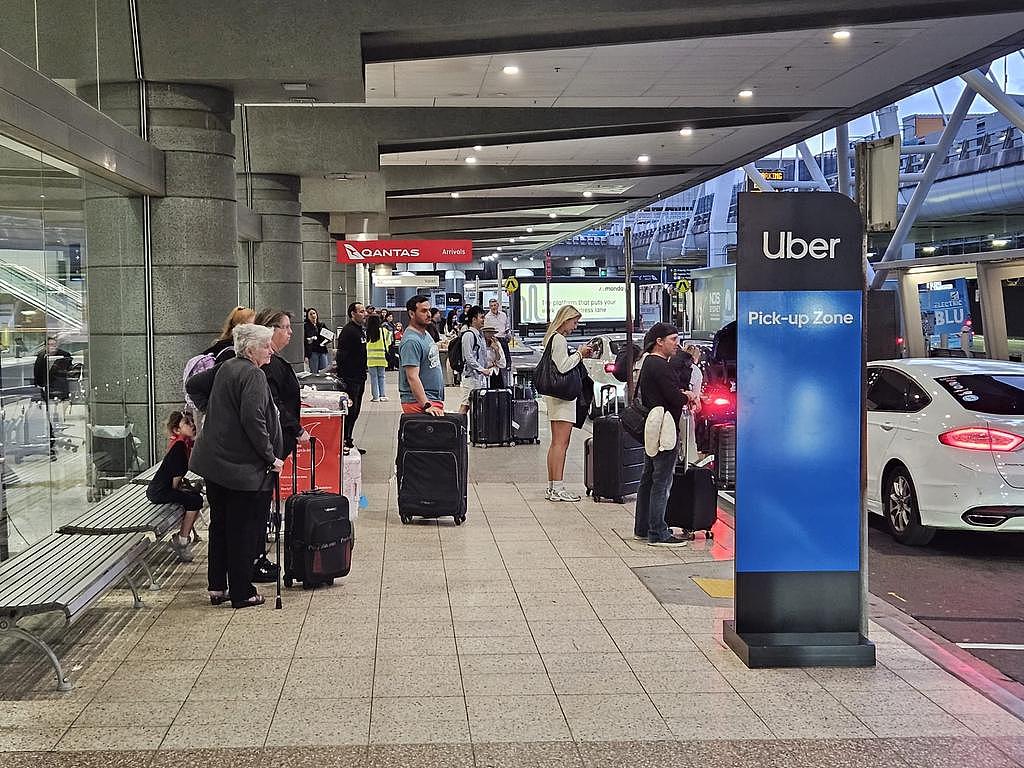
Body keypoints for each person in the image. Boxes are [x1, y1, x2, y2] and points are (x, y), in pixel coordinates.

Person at [190, 323, 284, 609]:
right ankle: (242, 591)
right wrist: (270, 456)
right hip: (238, 468)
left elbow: (196, 387)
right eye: (266, 346)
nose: (270, 351)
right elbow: (254, 420)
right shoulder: (253, 374)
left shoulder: (227, 366)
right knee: (242, 529)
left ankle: (217, 586)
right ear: (251, 348)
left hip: (215, 462)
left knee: (221, 524)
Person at [634, 323, 690, 547]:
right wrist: (688, 396)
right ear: (660, 341)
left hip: (652, 427)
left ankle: (642, 527)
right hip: (664, 429)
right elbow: (673, 398)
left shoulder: (648, 361)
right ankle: (658, 531)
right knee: (661, 480)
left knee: (648, 478)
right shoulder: (660, 366)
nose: (677, 344)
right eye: (673, 339)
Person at [542, 305, 593, 502]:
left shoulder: (550, 338)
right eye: (574, 321)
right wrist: (579, 354)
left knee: (555, 444)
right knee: (561, 444)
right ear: (565, 320)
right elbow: (563, 366)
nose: (575, 326)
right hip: (563, 398)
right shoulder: (559, 339)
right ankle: (558, 488)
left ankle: (552, 486)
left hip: (555, 398)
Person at [147, 411, 204, 563]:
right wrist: (185, 493)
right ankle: (182, 541)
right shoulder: (179, 448)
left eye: (192, 421)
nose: (192, 425)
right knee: (195, 501)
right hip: (160, 491)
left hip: (160, 489)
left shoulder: (181, 444)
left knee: (194, 498)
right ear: (177, 430)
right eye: (187, 422)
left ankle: (183, 538)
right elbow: (174, 484)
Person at [254, 308, 309, 462]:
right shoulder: (267, 363)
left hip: (277, 436)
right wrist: (296, 429)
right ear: (270, 330)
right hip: (273, 437)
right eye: (285, 327)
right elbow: (273, 402)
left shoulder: (272, 361)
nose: (290, 332)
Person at [399, 295, 446, 416]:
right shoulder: (411, 341)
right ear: (411, 314)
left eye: (429, 310)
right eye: (424, 311)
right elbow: (412, 377)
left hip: (431, 400)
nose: (429, 314)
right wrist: (426, 404)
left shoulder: (425, 334)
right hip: (420, 403)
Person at [336, 302, 368, 455]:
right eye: (361, 311)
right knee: (350, 411)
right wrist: (344, 378)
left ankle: (348, 439)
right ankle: (344, 441)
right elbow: (342, 356)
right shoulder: (348, 332)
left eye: (364, 311)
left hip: (360, 377)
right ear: (352, 314)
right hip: (350, 379)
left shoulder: (360, 331)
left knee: (355, 411)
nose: (364, 314)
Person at [459, 306, 498, 415]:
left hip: (479, 378)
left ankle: (475, 431)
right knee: (465, 405)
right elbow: (469, 357)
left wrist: (487, 367)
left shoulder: (480, 336)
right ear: (474, 319)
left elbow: (482, 356)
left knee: (477, 407)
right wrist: (482, 369)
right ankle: (459, 429)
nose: (483, 320)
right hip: (470, 377)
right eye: (481, 317)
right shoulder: (468, 335)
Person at [365, 314, 393, 403]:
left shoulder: (367, 332)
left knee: (373, 378)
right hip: (382, 357)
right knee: (381, 376)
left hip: (370, 358)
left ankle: (375, 397)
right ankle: (382, 395)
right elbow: (389, 342)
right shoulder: (384, 331)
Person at [486, 298, 512, 382]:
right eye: (492, 306)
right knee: (496, 356)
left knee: (506, 356)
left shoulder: (503, 315)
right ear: (489, 307)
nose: (494, 307)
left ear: (498, 305)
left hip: (503, 338)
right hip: (494, 339)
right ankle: (496, 371)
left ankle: (507, 368)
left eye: (495, 305)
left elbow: (507, 326)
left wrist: (509, 334)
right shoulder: (487, 317)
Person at [303, 308, 331, 374]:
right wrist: (306, 356)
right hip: (313, 352)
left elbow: (329, 335)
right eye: (311, 314)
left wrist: (328, 339)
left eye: (314, 313)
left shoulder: (321, 325)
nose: (313, 315)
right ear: (308, 317)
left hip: (322, 350)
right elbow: (305, 341)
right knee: (314, 372)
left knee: (324, 371)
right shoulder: (306, 326)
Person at [481, 318, 507, 389]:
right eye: (487, 332)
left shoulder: (497, 343)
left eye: (491, 332)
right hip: (483, 374)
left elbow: (502, 363)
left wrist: (496, 350)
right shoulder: (480, 344)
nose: (489, 334)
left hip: (495, 374)